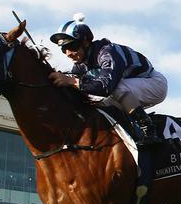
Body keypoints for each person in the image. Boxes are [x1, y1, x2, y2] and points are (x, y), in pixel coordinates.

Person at [49, 13, 168, 146]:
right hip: (132, 89)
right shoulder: (79, 65)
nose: (68, 54)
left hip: (154, 83)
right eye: (64, 49)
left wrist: (71, 81)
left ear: (86, 42)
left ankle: (148, 129)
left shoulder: (106, 52)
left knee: (116, 89)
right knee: (97, 103)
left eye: (72, 47)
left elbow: (106, 87)